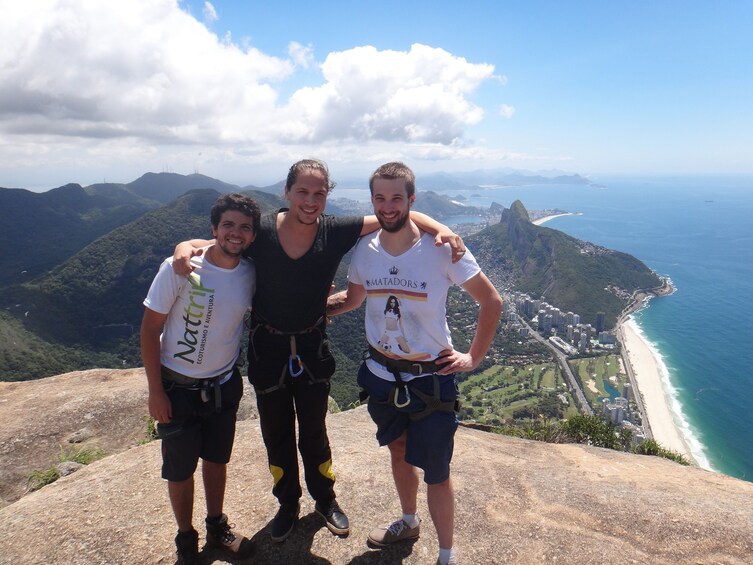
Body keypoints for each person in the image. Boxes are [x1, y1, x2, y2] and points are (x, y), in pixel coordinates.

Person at [172, 158, 465, 543]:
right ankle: (287, 504)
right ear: (287, 192)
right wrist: (183, 246)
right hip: (268, 348)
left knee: (315, 430)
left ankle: (325, 500)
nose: (310, 201)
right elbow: (217, 241)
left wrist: (442, 229)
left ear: (328, 195)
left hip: (312, 346)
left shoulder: (335, 231)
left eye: (319, 193)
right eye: (302, 192)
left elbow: (396, 213)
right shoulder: (259, 231)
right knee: (275, 433)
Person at [326, 162, 503, 565]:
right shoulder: (365, 250)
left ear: (411, 200)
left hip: (430, 377)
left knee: (437, 470)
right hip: (381, 374)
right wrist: (310, 312)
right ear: (372, 201)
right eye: (380, 198)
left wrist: (473, 357)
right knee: (399, 451)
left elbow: (491, 300)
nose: (388, 207)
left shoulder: (441, 248)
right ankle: (409, 521)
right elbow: (353, 300)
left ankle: (446, 554)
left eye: (396, 198)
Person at [141, 193, 260, 564]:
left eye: (244, 228)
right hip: (177, 388)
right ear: (214, 229)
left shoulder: (251, 273)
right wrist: (155, 391)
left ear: (253, 235)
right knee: (179, 469)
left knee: (216, 460)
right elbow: (149, 330)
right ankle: (185, 536)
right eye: (228, 225)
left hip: (223, 385)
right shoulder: (178, 268)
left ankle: (215, 526)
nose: (235, 233)